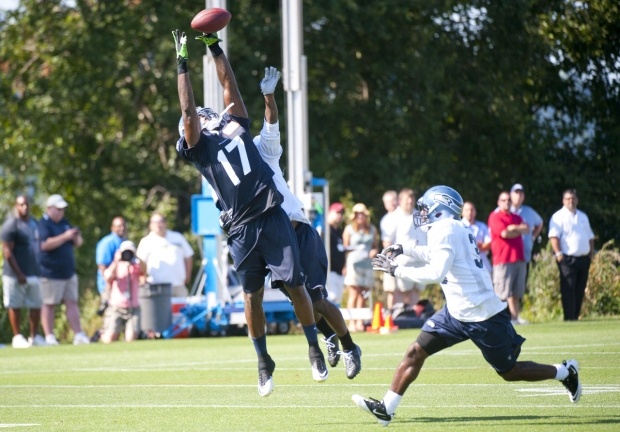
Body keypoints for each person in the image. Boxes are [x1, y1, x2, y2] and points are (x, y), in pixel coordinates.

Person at [172, 30, 326, 396]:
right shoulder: (198, 148)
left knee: (296, 284)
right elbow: (187, 111)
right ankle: (263, 361)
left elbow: (229, 85)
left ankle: (314, 348)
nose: (202, 118)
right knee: (251, 297)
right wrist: (181, 63)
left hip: (271, 214)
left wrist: (215, 46)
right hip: (241, 228)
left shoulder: (234, 124)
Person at [353, 185, 582, 426]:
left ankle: (565, 372)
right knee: (415, 351)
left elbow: (435, 271)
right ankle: (387, 408)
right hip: (456, 312)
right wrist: (405, 249)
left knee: (509, 372)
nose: (421, 212)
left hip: (482, 314)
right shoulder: (452, 227)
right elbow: (435, 255)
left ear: (440, 210)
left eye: (426, 207)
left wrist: (396, 269)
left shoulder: (446, 229)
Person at [253, 66, 361, 379]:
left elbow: (271, 122)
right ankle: (327, 337)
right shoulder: (229, 163)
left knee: (316, 299)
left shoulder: (262, 149)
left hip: (298, 231)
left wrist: (269, 96)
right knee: (303, 304)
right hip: (272, 241)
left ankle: (350, 345)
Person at [38, 194, 90, 345]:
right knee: (49, 304)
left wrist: (75, 237)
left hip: (68, 272)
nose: (61, 212)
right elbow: (44, 245)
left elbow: (78, 243)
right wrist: (65, 236)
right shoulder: (43, 224)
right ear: (49, 208)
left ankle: (79, 334)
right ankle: (49, 336)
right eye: (58, 209)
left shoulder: (65, 223)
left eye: (62, 210)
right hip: (50, 272)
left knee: (72, 302)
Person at [1, 195, 45, 348]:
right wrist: (19, 273)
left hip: (34, 272)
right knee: (15, 305)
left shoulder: (33, 223)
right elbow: (7, 252)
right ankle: (17, 336)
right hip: (15, 275)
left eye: (26, 204)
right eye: (21, 205)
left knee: (36, 305)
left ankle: (34, 336)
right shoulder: (11, 225)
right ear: (16, 206)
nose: (24, 207)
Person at [548, 189, 595, 321]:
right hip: (567, 258)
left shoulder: (582, 216)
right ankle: (569, 318)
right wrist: (559, 254)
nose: (571, 201)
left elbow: (590, 237)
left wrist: (591, 253)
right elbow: (553, 236)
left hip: (583, 258)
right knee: (568, 289)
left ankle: (576, 316)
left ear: (577, 200)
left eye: (573, 198)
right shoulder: (558, 216)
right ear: (563, 201)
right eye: (568, 198)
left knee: (580, 288)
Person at [381, 188, 427, 310]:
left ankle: (413, 319)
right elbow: (387, 241)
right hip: (400, 261)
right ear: (400, 200)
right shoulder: (393, 217)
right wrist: (390, 262)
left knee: (416, 291)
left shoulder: (419, 216)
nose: (411, 201)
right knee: (399, 292)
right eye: (408, 198)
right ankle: (397, 318)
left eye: (412, 198)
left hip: (419, 260)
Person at [488, 191, 530, 324]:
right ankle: (499, 321)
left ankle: (514, 318)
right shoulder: (495, 217)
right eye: (504, 200)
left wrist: (513, 227)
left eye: (508, 200)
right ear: (498, 202)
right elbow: (504, 234)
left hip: (519, 258)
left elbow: (527, 229)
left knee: (516, 292)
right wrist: (517, 231)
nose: (507, 203)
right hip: (503, 259)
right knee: (502, 293)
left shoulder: (516, 217)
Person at [136, 212, 194, 298]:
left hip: (178, 285)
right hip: (157, 287)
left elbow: (188, 256)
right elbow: (139, 263)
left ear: (165, 223)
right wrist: (142, 278)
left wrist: (188, 275)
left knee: (181, 311)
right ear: (150, 225)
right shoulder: (146, 242)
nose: (159, 225)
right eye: (155, 222)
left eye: (161, 221)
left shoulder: (177, 237)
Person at [343, 203, 380, 332]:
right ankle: (351, 322)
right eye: (357, 214)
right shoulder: (349, 229)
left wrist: (374, 251)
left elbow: (375, 245)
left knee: (363, 295)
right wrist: (345, 265)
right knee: (354, 293)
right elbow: (345, 248)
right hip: (353, 264)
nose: (360, 217)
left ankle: (360, 322)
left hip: (367, 264)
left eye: (362, 214)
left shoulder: (372, 229)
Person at [100, 241, 142, 343]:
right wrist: (116, 261)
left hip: (133, 307)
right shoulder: (116, 266)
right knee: (110, 338)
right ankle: (100, 334)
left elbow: (145, 273)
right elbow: (107, 276)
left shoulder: (136, 266)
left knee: (131, 338)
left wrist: (137, 258)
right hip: (117, 306)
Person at [509, 183, 544, 270]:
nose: (519, 196)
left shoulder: (529, 211)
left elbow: (540, 223)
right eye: (516, 193)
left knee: (522, 283)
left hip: (524, 256)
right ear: (511, 195)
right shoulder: (503, 211)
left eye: (521, 193)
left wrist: (533, 237)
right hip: (508, 257)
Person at [96, 216, 126, 295]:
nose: (122, 228)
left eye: (123, 225)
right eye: (119, 226)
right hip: (109, 286)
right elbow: (102, 265)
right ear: (113, 227)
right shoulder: (107, 243)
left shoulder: (125, 242)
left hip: (122, 285)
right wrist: (107, 284)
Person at [461, 201, 492, 275]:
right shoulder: (458, 227)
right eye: (467, 210)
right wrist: (476, 246)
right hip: (466, 267)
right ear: (462, 212)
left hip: (483, 265)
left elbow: (489, 243)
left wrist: (476, 246)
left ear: (475, 211)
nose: (470, 212)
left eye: (472, 209)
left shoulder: (482, 226)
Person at [326, 202, 346, 306]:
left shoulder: (339, 231)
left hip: (339, 271)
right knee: (331, 298)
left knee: (337, 301)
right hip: (329, 271)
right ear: (330, 212)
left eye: (341, 213)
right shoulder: (325, 230)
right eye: (337, 212)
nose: (339, 215)